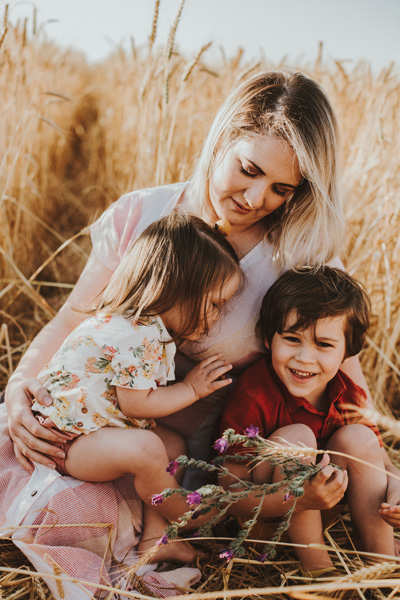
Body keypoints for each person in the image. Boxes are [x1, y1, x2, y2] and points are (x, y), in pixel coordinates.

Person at [1, 70, 368, 594]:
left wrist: (382, 471)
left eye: (281, 188)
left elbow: (345, 380)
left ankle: (167, 532)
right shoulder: (144, 214)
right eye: (248, 169)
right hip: (92, 427)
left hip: (184, 461)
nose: (255, 198)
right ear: (221, 138)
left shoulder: (301, 258)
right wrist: (18, 394)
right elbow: (73, 319)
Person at [30, 212, 241, 563]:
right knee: (146, 447)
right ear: (178, 287)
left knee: (172, 443)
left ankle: (158, 539)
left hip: (92, 432)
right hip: (69, 442)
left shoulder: (139, 327)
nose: (217, 316)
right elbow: (135, 405)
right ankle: (185, 513)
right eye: (215, 304)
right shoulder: (136, 334)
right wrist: (191, 388)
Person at [217, 267, 400, 577]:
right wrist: (294, 497)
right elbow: (228, 491)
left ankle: (383, 566)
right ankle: (318, 572)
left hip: (322, 513)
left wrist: (396, 491)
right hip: (265, 526)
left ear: (347, 352)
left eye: (324, 345)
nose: (304, 357)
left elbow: (379, 461)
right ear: (268, 338)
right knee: (298, 436)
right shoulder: (253, 395)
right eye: (292, 339)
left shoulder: (346, 392)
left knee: (358, 437)